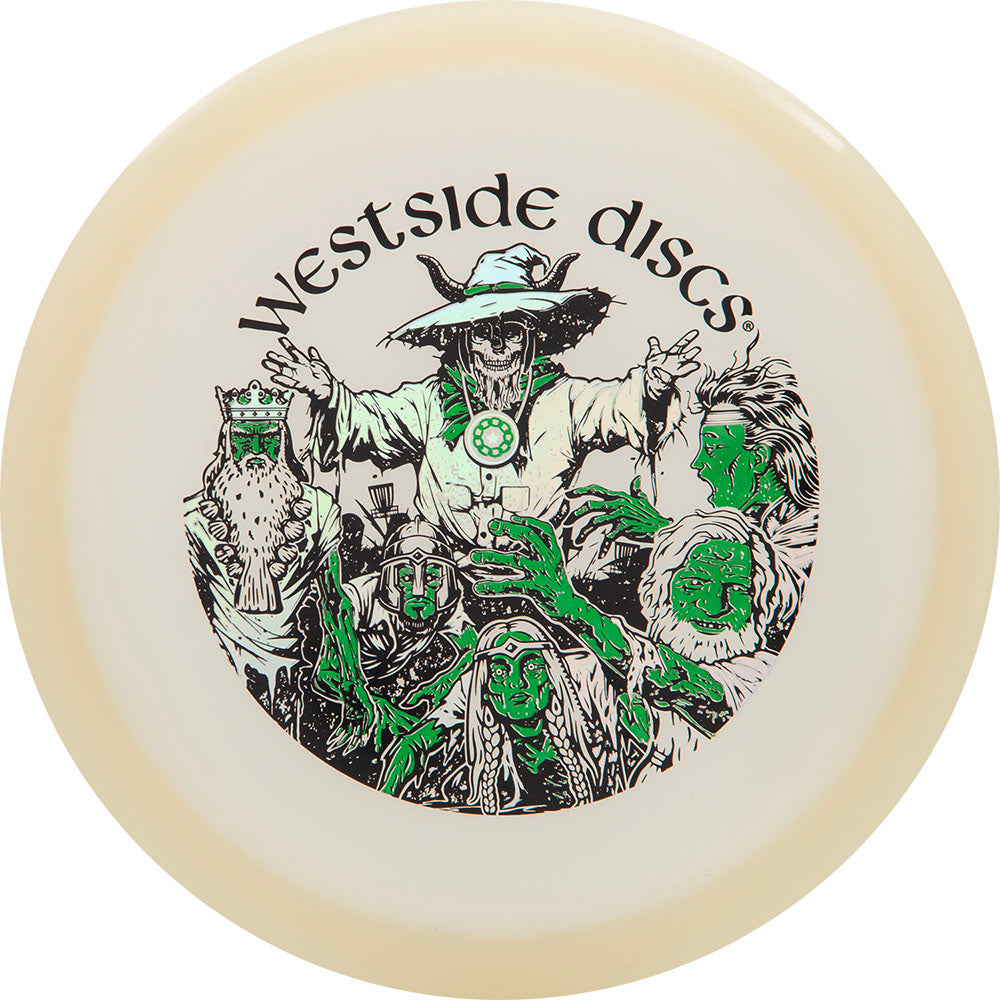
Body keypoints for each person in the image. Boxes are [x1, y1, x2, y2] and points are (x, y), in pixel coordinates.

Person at [261, 243, 702, 553]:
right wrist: (328, 392)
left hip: (539, 575)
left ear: (534, 339)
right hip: (439, 578)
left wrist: (653, 385)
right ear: (461, 339)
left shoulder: (565, 400)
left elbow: (616, 406)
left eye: (511, 332)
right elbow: (370, 419)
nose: (496, 346)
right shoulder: (429, 402)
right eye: (481, 333)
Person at [469, 508, 802, 778]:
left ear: (761, 600)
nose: (714, 605)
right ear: (659, 591)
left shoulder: (763, 675)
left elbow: (671, 678)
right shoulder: (591, 673)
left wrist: (571, 608)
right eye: (694, 584)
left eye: (738, 588)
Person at [184, 379, 340, 729]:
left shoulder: (320, 511)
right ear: (227, 442)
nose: (256, 450)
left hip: (297, 670)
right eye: (244, 439)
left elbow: (333, 601)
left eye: (267, 438)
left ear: (283, 442)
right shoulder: (194, 519)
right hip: (218, 668)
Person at [567, 358, 819, 572]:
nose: (698, 463)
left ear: (758, 458)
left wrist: (664, 532)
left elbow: (766, 583)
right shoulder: (757, 526)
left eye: (712, 448)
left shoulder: (805, 531)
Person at [379, 618, 621, 810]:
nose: (517, 682)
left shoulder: (582, 674)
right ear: (486, 685)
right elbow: (417, 742)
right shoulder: (471, 686)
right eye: (500, 672)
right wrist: (385, 802)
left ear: (550, 672)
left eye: (531, 667)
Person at [310, 518, 477, 768]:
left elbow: (475, 648)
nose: (419, 592)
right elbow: (325, 675)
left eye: (432, 577)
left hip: (388, 689)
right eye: (406, 578)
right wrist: (363, 697)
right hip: (348, 691)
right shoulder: (359, 596)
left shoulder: (450, 603)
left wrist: (441, 683)